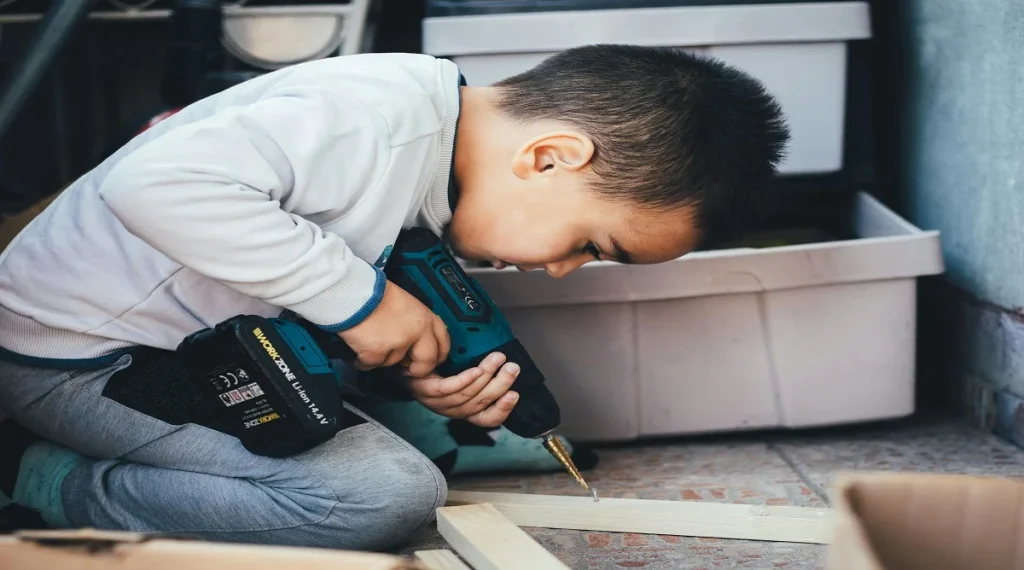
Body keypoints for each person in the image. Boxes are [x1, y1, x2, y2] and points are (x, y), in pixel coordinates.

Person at [0, 44, 789, 550]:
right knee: (383, 497)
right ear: (548, 158)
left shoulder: (429, 147)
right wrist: (361, 303)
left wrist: (394, 363)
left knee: (416, 427)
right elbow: (155, 181)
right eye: (590, 245)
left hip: (195, 343)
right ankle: (46, 480)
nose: (563, 271)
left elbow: (263, 275)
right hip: (80, 359)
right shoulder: (367, 121)